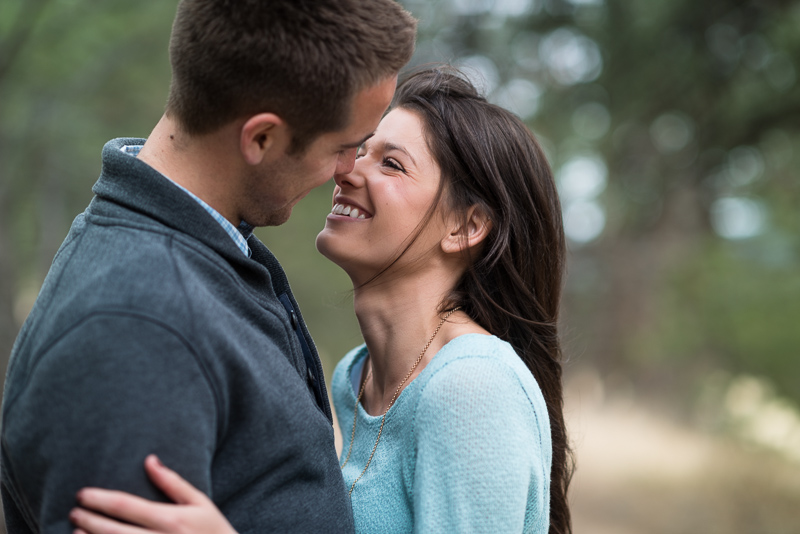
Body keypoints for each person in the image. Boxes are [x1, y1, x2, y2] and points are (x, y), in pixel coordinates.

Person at [68, 67, 573, 533]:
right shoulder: (355, 378)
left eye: (392, 164)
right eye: (362, 149)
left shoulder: (472, 389)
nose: (347, 170)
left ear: (467, 227)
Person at [0, 1, 416, 533]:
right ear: (261, 138)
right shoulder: (136, 328)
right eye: (345, 146)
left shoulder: (208, 253)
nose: (347, 171)